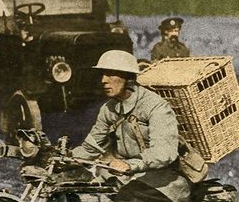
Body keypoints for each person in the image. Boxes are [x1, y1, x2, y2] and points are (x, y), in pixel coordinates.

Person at [72, 50, 191, 202]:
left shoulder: (156, 107)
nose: (103, 80)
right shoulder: (109, 108)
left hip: (163, 181)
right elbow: (92, 147)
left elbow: (164, 153)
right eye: (102, 74)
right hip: (125, 178)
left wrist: (129, 165)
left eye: (110, 74)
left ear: (128, 78)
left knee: (127, 198)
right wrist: (68, 157)